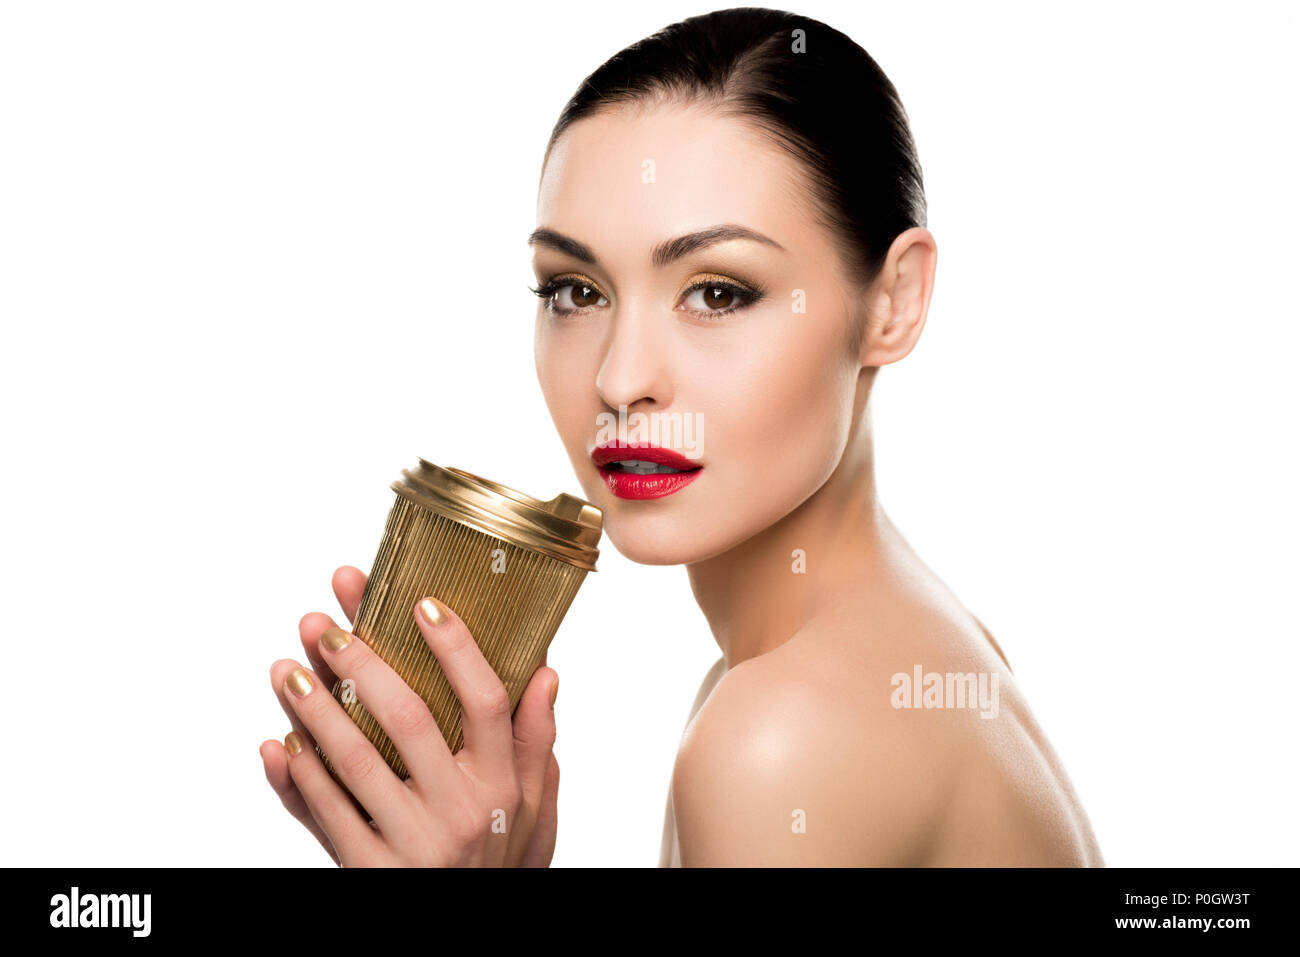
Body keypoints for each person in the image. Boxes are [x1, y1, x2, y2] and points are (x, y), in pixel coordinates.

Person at [260, 6, 1104, 867]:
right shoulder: (899, 643)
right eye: (575, 291)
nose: (621, 381)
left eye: (718, 292)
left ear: (893, 302)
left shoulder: (782, 738)